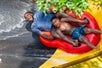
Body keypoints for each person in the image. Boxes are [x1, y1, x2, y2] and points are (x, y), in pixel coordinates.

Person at [24, 11, 89, 40]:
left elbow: (48, 10)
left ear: (31, 13)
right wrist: (48, 37)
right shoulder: (33, 26)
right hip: (51, 27)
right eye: (26, 17)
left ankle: (80, 22)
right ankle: (73, 40)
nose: (27, 17)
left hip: (55, 18)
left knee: (61, 14)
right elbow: (41, 33)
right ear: (27, 20)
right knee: (55, 34)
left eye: (27, 15)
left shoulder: (38, 13)